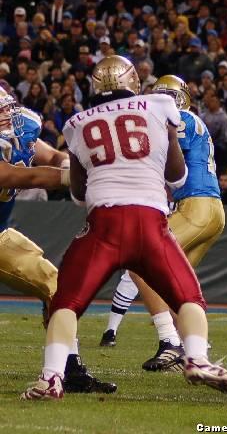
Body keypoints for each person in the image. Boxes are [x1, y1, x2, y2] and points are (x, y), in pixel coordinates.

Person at [21, 56, 227, 400]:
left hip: (104, 225)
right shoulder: (161, 106)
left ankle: (51, 376)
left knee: (65, 302)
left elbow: (79, 193)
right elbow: (177, 175)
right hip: (150, 222)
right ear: (134, 83)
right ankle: (197, 356)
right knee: (189, 295)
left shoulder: (78, 122)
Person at [99, 74, 226, 373]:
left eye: (170, 96)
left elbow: (157, 149)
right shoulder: (190, 119)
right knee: (175, 285)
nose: (167, 102)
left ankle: (169, 341)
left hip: (197, 206)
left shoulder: (182, 119)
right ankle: (195, 349)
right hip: (209, 208)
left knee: (140, 261)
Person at [0, 86, 116, 394]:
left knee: (55, 285)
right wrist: (71, 178)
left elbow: (50, 154)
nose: (6, 118)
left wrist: (68, 163)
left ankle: (69, 366)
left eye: (7, 109)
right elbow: (18, 176)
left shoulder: (18, 130)